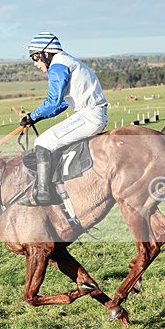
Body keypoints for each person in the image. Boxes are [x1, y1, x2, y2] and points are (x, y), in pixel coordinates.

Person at [19, 32, 108, 206]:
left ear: (45, 54)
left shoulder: (58, 66)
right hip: (93, 113)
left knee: (42, 142)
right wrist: (36, 119)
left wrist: (33, 115)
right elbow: (62, 105)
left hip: (89, 115)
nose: (35, 63)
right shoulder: (67, 61)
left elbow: (53, 101)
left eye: (35, 57)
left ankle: (44, 194)